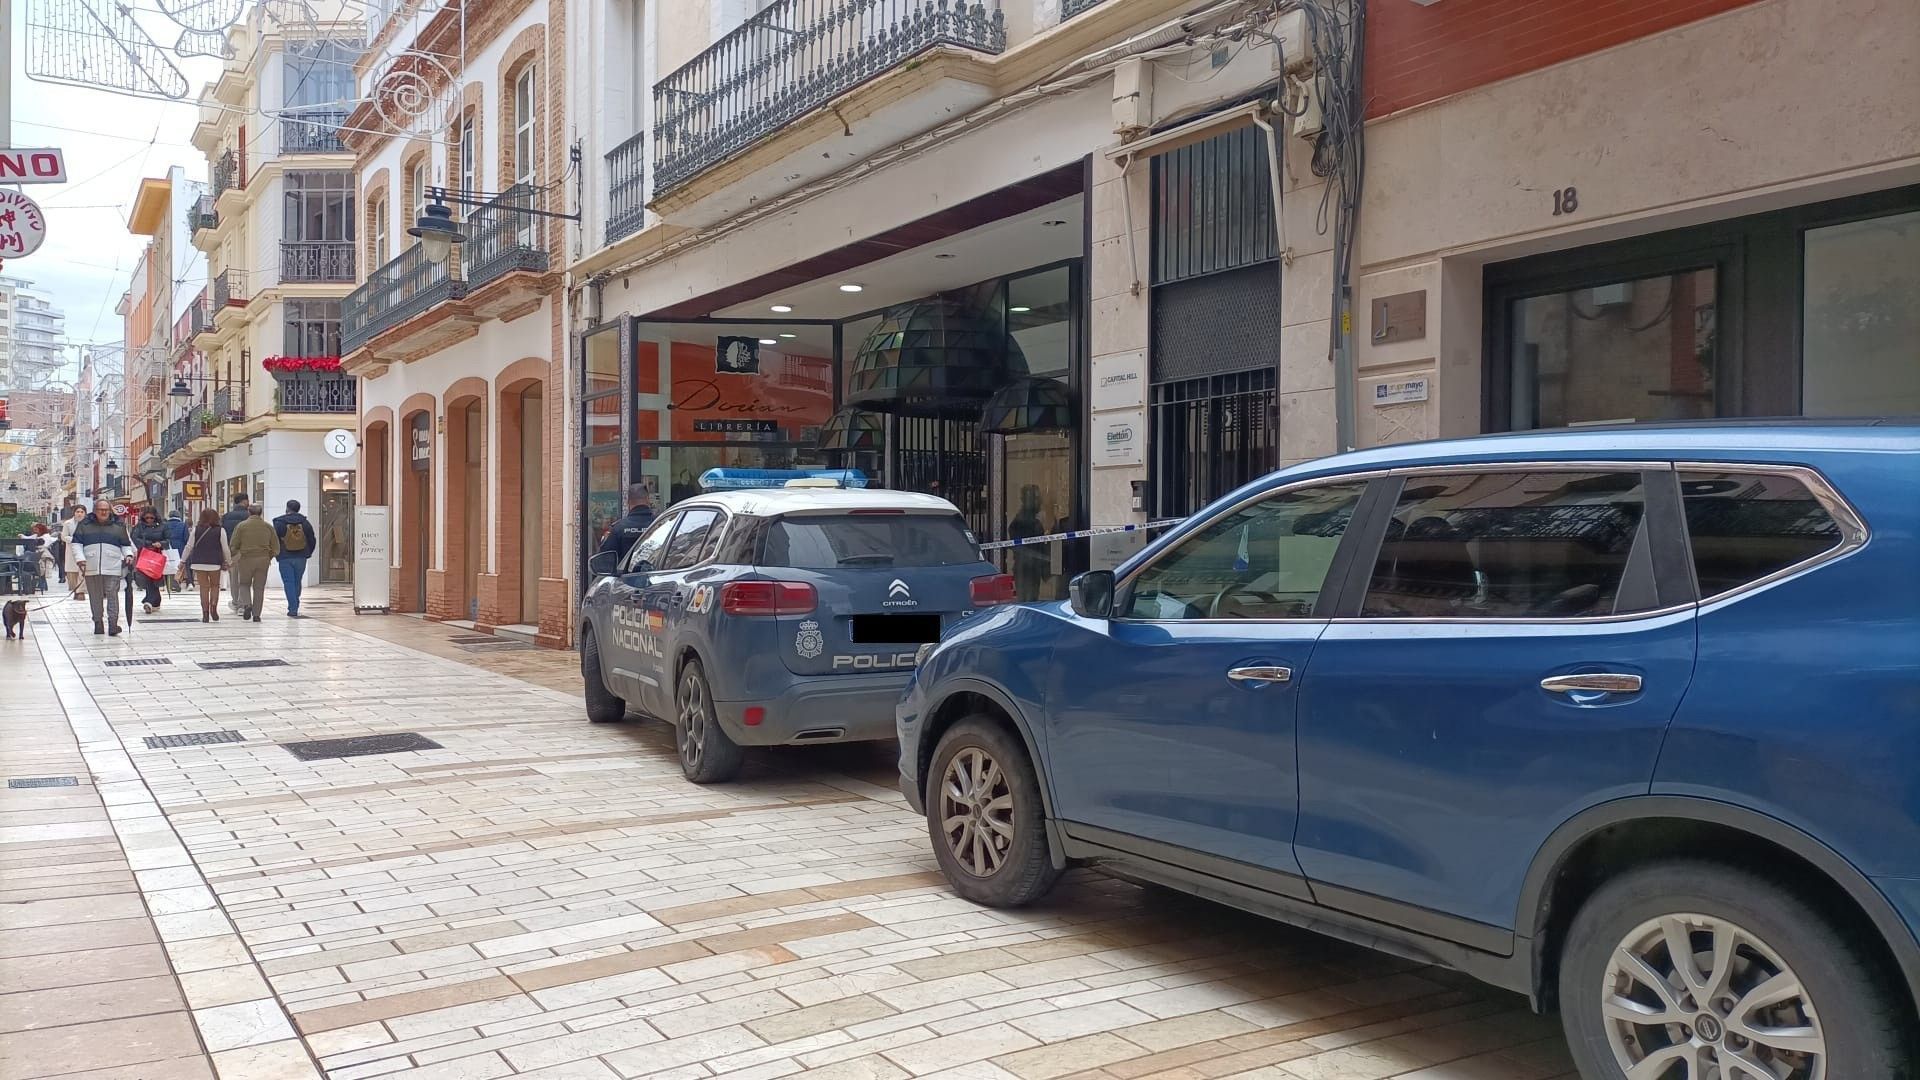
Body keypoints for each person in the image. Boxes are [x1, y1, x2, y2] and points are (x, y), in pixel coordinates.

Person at [71, 499, 134, 635]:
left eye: (106, 509)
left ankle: (113, 624)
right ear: (95, 511)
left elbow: (125, 544)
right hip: (91, 566)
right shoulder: (84, 525)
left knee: (112, 595)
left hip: (113, 566)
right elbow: (76, 544)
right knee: (95, 596)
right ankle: (98, 623)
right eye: (101, 509)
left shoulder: (119, 525)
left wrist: (128, 555)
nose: (104, 512)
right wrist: (80, 559)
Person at [229, 505, 279, 623]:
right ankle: (257, 615)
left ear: (248, 512)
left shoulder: (241, 526)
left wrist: (238, 554)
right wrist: (269, 556)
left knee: (244, 584)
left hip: (246, 558)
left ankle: (247, 604)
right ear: (261, 513)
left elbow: (233, 544)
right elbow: (276, 547)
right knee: (259, 588)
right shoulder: (268, 527)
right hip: (263, 559)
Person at [183, 508, 231, 622]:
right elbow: (225, 548)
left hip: (199, 563)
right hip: (215, 563)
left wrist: (182, 561)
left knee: (204, 588)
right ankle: (213, 607)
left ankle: (205, 613)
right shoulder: (221, 530)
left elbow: (189, 547)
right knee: (215, 586)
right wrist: (228, 561)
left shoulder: (196, 530)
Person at [271, 499, 317, 618]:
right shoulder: (305, 522)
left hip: (285, 557)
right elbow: (312, 539)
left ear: (287, 508)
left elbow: (274, 539)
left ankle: (293, 608)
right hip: (301, 557)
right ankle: (295, 603)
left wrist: (276, 553)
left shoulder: (279, 522)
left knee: (288, 582)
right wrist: (308, 552)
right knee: (297, 581)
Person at [599, 484, 656, 563]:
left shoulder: (618, 528)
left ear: (628, 502)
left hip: (627, 575)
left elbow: (605, 560)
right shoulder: (661, 525)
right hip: (657, 574)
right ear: (648, 499)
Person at [129, 508, 170, 613]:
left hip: (157, 555)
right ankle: (152, 601)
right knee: (146, 577)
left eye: (151, 517)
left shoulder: (163, 526)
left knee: (155, 578)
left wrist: (161, 544)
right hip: (144, 555)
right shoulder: (139, 527)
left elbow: (168, 539)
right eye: (147, 517)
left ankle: (151, 601)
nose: (149, 520)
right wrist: (148, 544)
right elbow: (134, 538)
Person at [221, 495, 250, 613]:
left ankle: (236, 602)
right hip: (247, 551)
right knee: (245, 579)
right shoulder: (250, 516)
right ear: (244, 501)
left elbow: (222, 534)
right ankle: (244, 604)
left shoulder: (226, 516)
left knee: (234, 578)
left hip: (232, 551)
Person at [62, 505, 88, 601]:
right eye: (78, 511)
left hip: (85, 550)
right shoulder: (68, 523)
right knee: (72, 573)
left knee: (83, 571)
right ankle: (75, 590)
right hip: (71, 550)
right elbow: (64, 536)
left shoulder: (88, 524)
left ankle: (81, 592)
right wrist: (74, 539)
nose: (79, 514)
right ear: (74, 513)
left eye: (82, 512)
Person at [165, 511, 189, 593]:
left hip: (168, 547)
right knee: (178, 565)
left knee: (169, 564)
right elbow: (186, 538)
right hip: (180, 547)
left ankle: (170, 582)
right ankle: (177, 581)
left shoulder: (165, 525)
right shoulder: (183, 525)